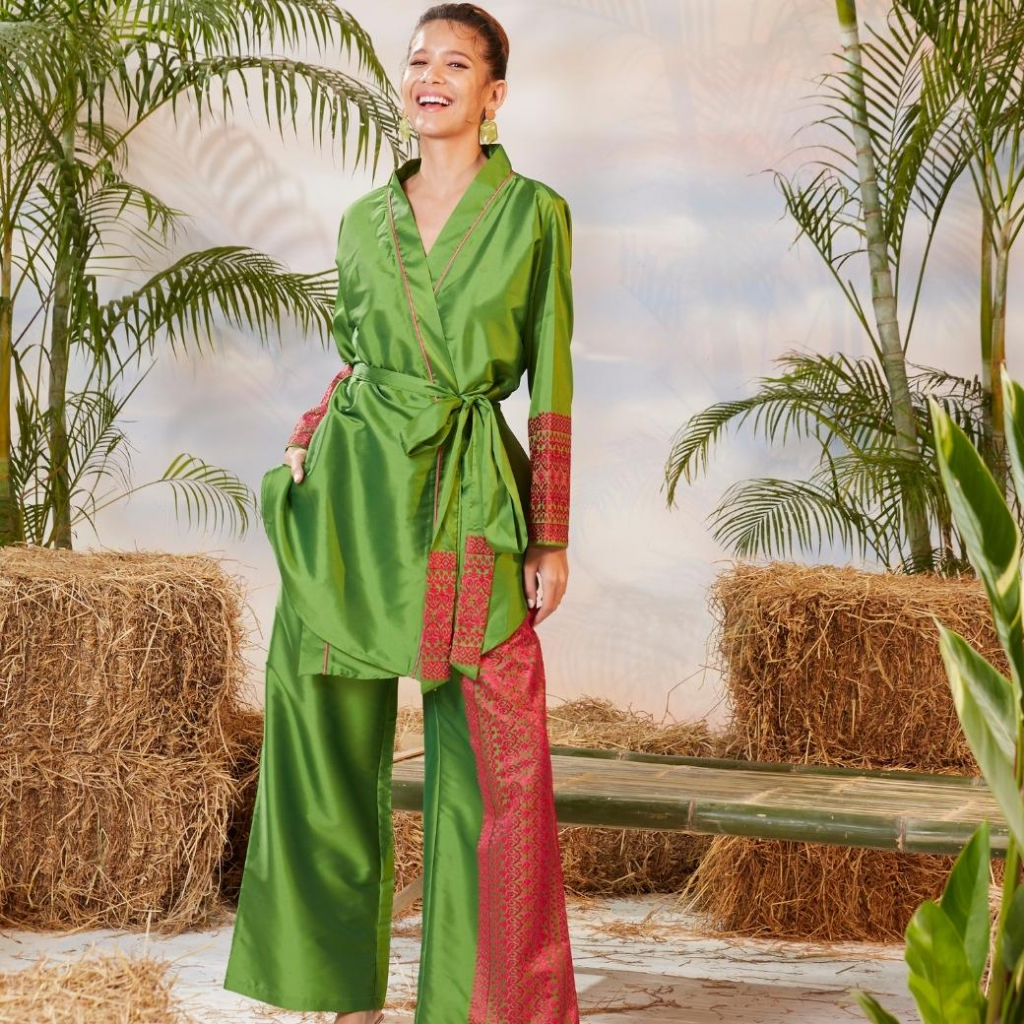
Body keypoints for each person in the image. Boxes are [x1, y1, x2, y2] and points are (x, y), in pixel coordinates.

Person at [222, 4, 579, 1023]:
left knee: (498, 766)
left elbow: (550, 377)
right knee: (321, 733)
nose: (430, 76)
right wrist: (306, 434)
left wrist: (550, 533)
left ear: (493, 93)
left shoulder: (536, 214)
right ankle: (335, 989)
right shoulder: (361, 221)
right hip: (352, 497)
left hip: (469, 494)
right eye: (418, 59)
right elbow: (355, 360)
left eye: (454, 63)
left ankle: (486, 1004)